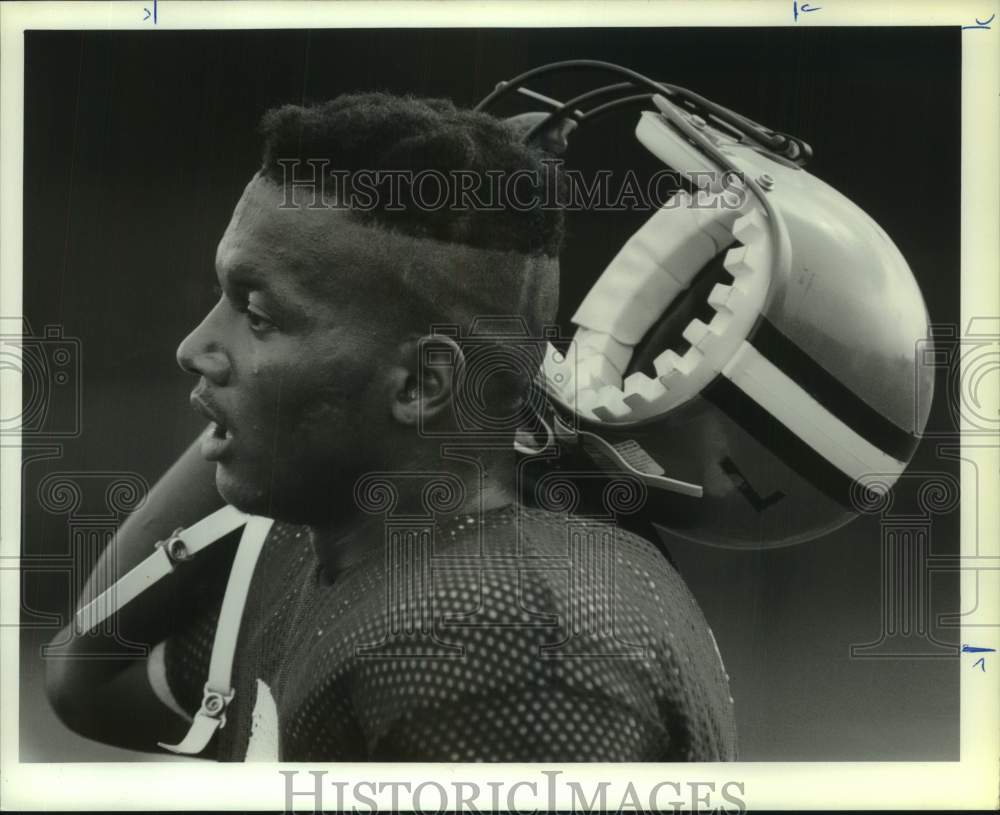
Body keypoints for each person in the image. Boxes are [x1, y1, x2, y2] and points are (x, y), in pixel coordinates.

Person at [45, 92, 738, 761]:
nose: (193, 347)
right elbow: (88, 676)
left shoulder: (506, 640)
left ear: (422, 383)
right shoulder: (319, 548)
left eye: (256, 316)